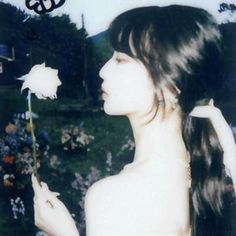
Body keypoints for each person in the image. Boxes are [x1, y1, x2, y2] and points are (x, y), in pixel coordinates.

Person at [32, 5, 236, 236]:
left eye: (120, 59)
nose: (103, 70)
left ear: (170, 87)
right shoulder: (199, 174)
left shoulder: (115, 197)